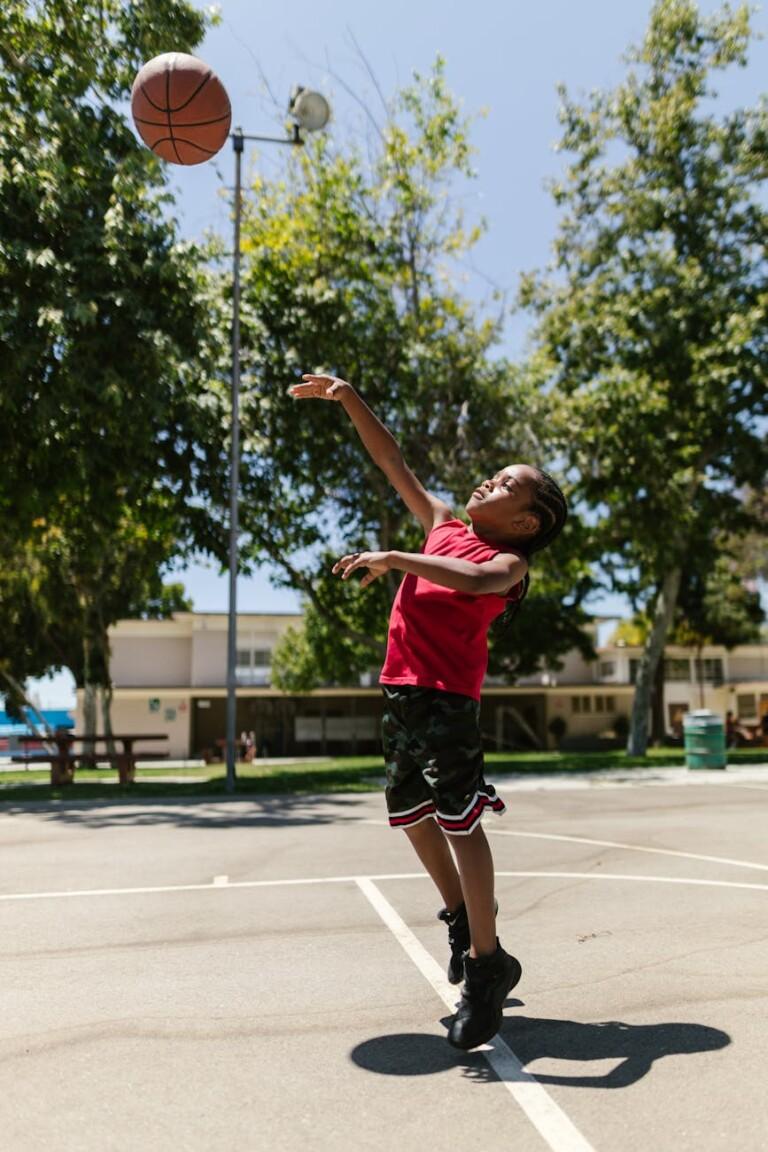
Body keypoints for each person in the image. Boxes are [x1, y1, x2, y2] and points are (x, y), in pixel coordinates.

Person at [290, 372, 568, 1050]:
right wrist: (350, 395)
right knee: (413, 820)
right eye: (493, 475)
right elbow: (392, 460)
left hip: (446, 701)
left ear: (526, 522)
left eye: (505, 485)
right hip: (400, 691)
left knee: (460, 822)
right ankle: (461, 919)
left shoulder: (507, 564)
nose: (487, 483)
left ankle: (485, 964)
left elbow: (472, 581)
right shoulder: (442, 521)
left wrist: (394, 556)